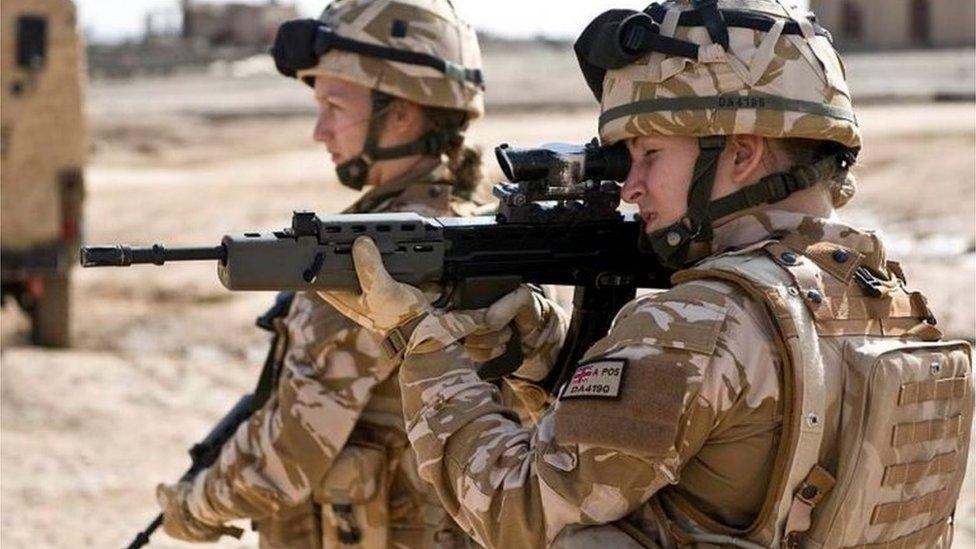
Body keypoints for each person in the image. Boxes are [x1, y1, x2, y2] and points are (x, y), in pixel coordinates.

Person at [319, 1, 974, 547]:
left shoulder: (699, 321)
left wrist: (421, 344)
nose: (630, 186)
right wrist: (542, 343)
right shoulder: (888, 299)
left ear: (741, 153)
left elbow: (516, 508)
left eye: (650, 154)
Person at [153, 1, 521, 547]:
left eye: (333, 104)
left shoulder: (373, 260)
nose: (320, 131)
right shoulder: (486, 230)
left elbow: (285, 458)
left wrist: (194, 506)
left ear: (401, 113)